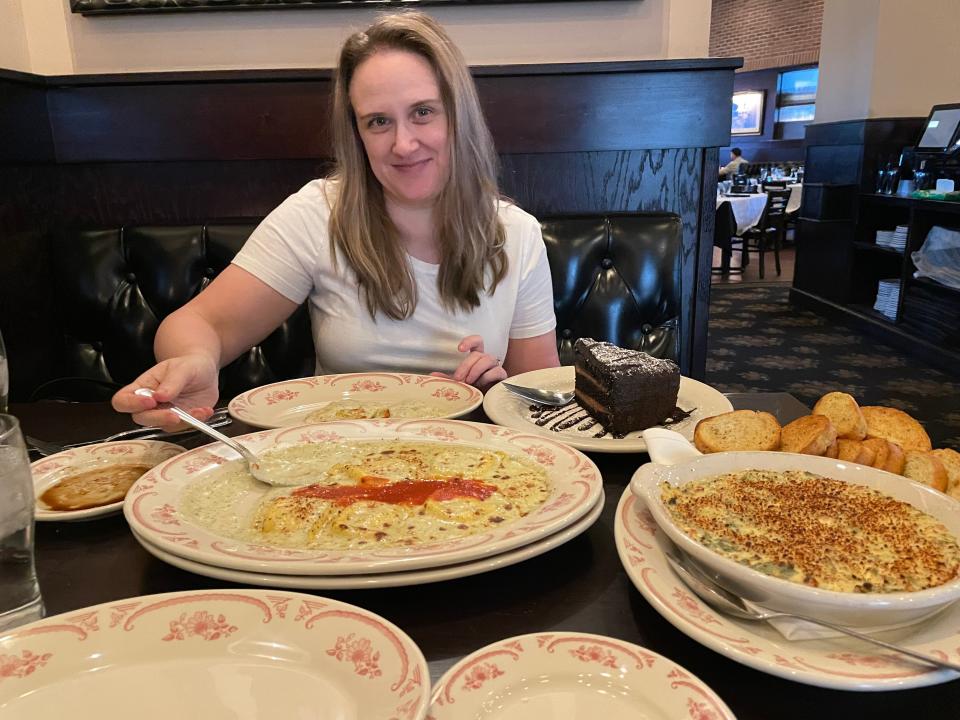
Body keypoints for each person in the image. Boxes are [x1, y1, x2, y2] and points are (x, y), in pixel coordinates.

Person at [112, 11, 559, 430]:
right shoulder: (318, 213)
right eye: (378, 122)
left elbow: (543, 403)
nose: (403, 144)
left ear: (458, 115)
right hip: (335, 473)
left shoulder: (517, 234)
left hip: (477, 477)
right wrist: (195, 361)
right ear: (357, 133)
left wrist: (497, 393)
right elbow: (201, 324)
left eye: (423, 112)